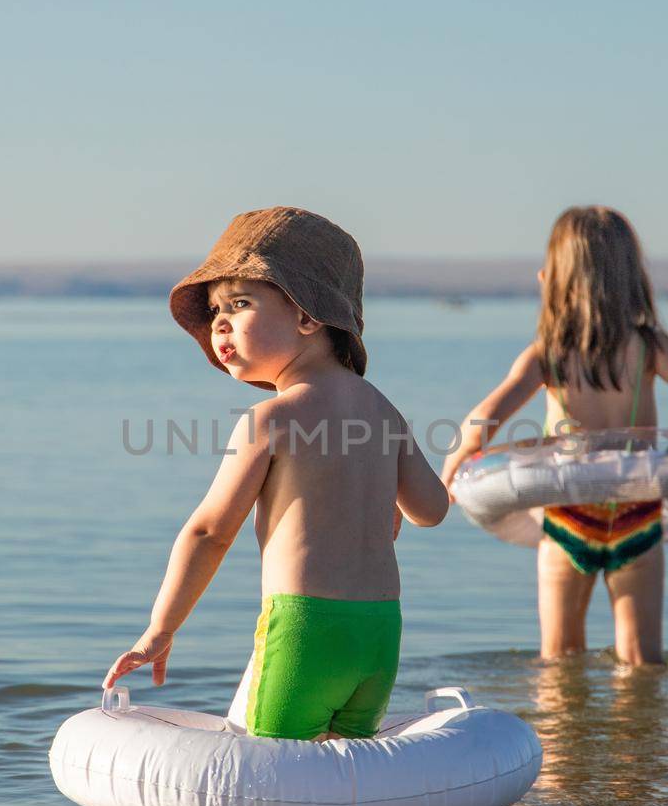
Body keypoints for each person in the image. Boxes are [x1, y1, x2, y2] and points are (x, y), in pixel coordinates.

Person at [103, 206, 450, 739]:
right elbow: (431, 510)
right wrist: (379, 499)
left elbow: (210, 531)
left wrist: (160, 629)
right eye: (216, 309)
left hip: (305, 629)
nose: (219, 323)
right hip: (379, 634)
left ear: (308, 316)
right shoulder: (383, 411)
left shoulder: (270, 418)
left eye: (239, 304)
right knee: (343, 787)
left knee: (269, 782)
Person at [440, 206, 668, 666]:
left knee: (558, 660)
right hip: (636, 510)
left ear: (552, 278)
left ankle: (566, 740)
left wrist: (449, 476)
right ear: (631, 277)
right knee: (641, 661)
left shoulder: (549, 353)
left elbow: (487, 415)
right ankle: (634, 738)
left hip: (567, 514)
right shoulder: (649, 347)